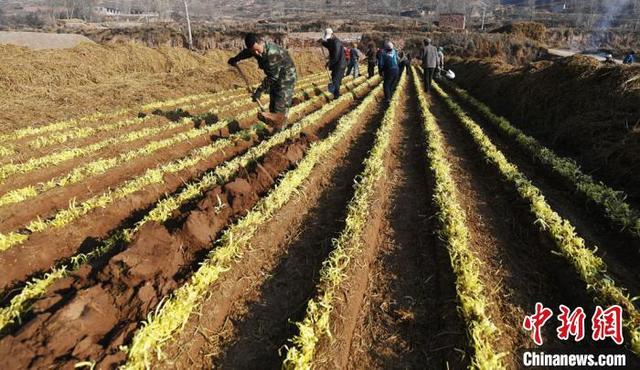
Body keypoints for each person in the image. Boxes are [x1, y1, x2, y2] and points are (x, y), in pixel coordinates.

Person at [228, 33, 297, 130]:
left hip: (286, 78)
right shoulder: (255, 49)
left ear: (260, 43)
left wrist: (259, 91)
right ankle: (276, 128)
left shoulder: (272, 53)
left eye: (256, 50)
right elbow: (247, 52)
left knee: (280, 106)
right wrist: (236, 58)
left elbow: (273, 77)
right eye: (253, 51)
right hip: (275, 77)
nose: (256, 53)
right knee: (272, 106)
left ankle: (280, 133)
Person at [320, 28, 347, 99]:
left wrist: (329, 63)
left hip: (339, 64)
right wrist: (322, 42)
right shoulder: (333, 41)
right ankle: (336, 94)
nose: (328, 39)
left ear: (332, 34)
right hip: (337, 64)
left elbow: (336, 56)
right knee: (335, 80)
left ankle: (336, 96)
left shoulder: (336, 42)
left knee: (335, 80)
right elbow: (329, 46)